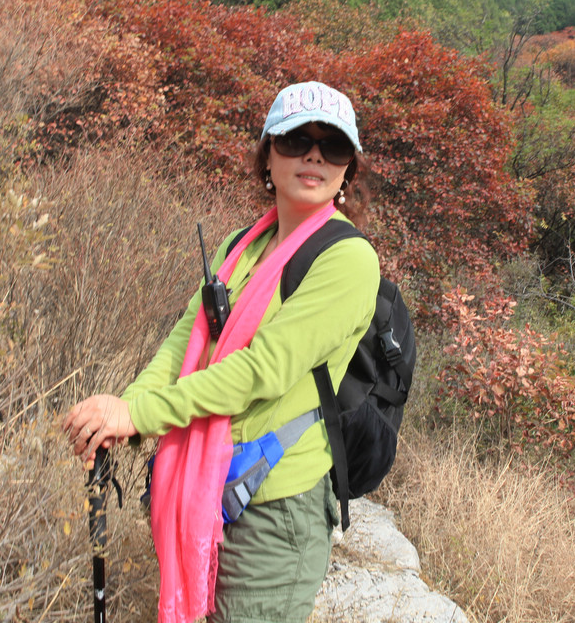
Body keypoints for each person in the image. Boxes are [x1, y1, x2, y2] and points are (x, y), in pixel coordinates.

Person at [63, 81, 379, 623]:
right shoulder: (242, 245)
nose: (314, 156)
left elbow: (262, 370)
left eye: (333, 147)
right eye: (296, 140)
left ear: (348, 168)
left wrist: (140, 415)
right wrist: (124, 411)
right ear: (267, 155)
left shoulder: (348, 259)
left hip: (275, 508)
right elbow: (183, 345)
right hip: (206, 487)